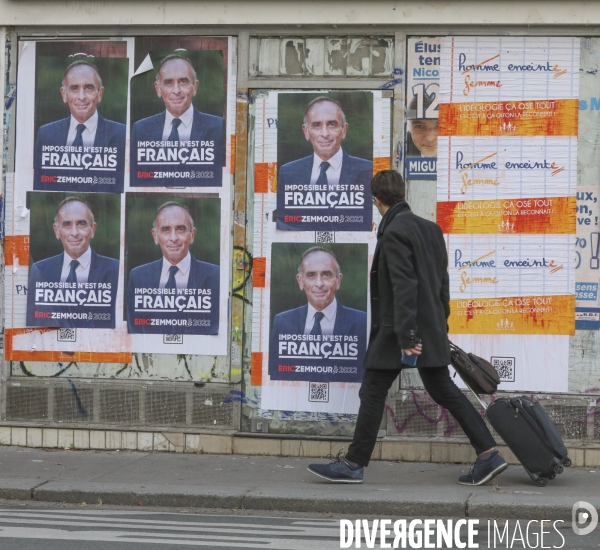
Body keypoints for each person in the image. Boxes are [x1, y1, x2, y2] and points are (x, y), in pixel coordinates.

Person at [308, 170, 508, 486]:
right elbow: (443, 286)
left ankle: (353, 464)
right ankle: (489, 455)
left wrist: (407, 337)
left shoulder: (394, 233)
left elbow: (404, 287)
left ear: (376, 200)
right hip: (427, 329)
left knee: (372, 390)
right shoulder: (431, 230)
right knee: (444, 390)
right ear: (402, 194)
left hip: (399, 332)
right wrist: (438, 326)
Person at [269, 247, 367, 380]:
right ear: (300, 281)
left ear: (338, 280)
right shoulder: (282, 322)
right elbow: (276, 374)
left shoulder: (363, 322)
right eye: (311, 275)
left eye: (326, 274)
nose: (319, 283)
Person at [126, 201, 220, 332]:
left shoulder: (216, 276)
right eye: (165, 230)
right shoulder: (138, 277)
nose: (173, 238)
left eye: (181, 229)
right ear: (155, 236)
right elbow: (134, 332)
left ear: (192, 235)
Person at [26, 197, 119, 327]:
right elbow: (34, 322)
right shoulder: (40, 270)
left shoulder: (115, 270)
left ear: (93, 229)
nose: (74, 233)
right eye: (66, 224)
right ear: (57, 231)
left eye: (81, 224)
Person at [129, 54, 223, 178]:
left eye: (183, 82)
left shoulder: (218, 127)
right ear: (158, 89)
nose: (176, 90)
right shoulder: (140, 129)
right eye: (168, 83)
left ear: (195, 87)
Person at [34, 61, 126, 170]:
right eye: (74, 88)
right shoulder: (46, 134)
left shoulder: (122, 134)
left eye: (89, 88)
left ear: (100, 94)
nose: (81, 97)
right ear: (64, 94)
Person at [278, 97, 373, 190]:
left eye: (332, 125)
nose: (324, 134)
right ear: (306, 131)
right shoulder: (288, 172)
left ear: (344, 130)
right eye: (316, 125)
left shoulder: (369, 170)